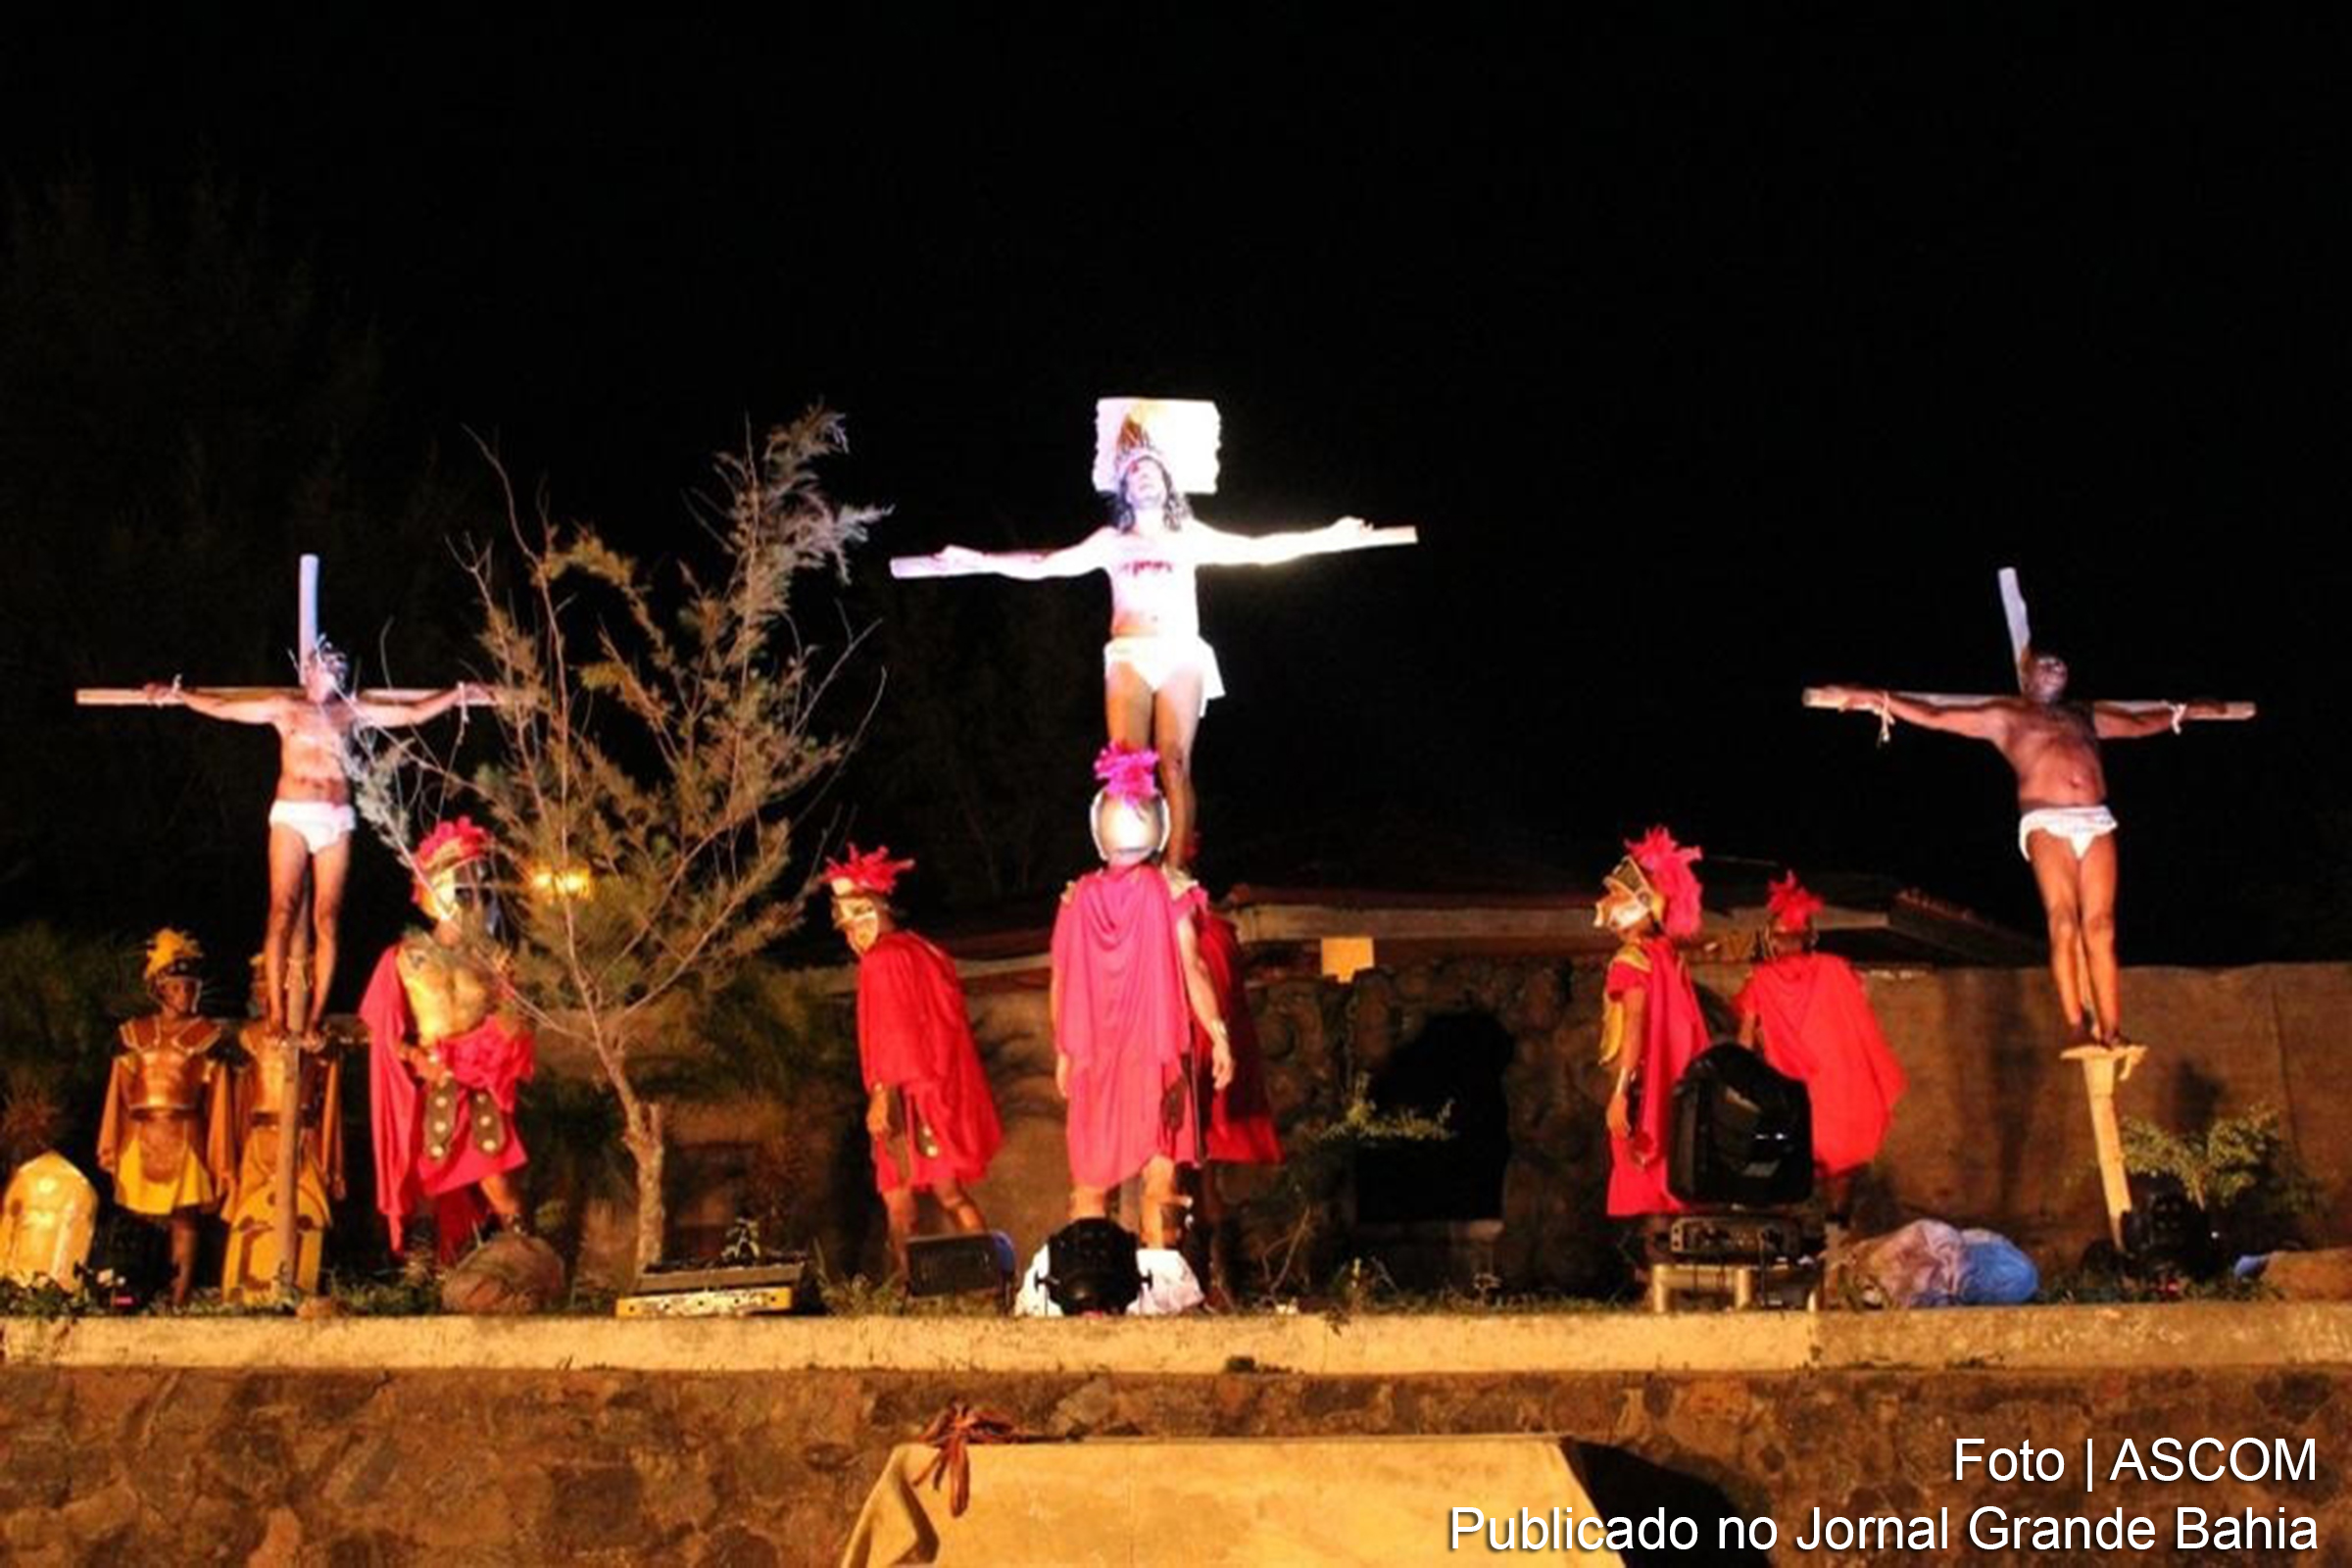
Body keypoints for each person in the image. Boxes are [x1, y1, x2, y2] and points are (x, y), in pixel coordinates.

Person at [893, 398, 1397, 873]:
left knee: (1174, 763)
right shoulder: (1112, 542)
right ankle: (1130, 864)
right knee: (1126, 764)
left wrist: (1329, 537)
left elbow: (1259, 550)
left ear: (1168, 484)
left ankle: (1176, 870)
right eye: (1136, 473)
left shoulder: (1190, 536)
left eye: (1154, 471)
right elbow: (1045, 564)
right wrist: (976, 560)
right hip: (1129, 654)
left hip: (1180, 652)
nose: (1146, 480)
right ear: (1125, 489)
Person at [1816, 661, 2237, 1049]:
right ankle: (2075, 1025)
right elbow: (1936, 714)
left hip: (2096, 819)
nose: (2055, 666)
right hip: (2046, 820)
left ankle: (2111, 1028)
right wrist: (1879, 699)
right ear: (2027, 677)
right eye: (2044, 663)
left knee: (2102, 926)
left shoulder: (2083, 715)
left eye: (2060, 663)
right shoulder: (2005, 716)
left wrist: (2186, 711)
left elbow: (2140, 722)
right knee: (2064, 922)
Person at [143, 644, 490, 1040]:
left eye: (338, 667)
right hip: (292, 813)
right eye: (325, 665)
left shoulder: (351, 712)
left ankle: (314, 1018)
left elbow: (411, 713)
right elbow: (222, 707)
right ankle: (274, 1014)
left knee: (326, 919)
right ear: (308, 672)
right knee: (281, 912)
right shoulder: (285, 708)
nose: (332, 671)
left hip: (334, 818)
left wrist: (458, 693)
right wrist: (176, 693)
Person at [1050, 744, 1232, 1248]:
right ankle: (1160, 1286)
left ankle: (1091, 1296)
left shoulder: (1074, 897)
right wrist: (1218, 1034)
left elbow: (1060, 980)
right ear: (1158, 824)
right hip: (1155, 1057)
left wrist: (1064, 1052)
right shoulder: (1170, 891)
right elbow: (1193, 967)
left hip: (1096, 1059)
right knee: (1161, 1180)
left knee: (1090, 1185)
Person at [825, 843, 1003, 1278]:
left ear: (874, 909)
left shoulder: (883, 962)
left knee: (903, 1204)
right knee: (946, 1195)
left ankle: (913, 1291)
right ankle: (988, 1284)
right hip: (931, 1093)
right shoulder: (922, 951)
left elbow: (893, 1034)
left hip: (907, 1100)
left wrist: (882, 1096)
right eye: (845, 926)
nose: (851, 935)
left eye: (855, 920)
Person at [360, 816, 533, 1262]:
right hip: (433, 1084)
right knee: (425, 1182)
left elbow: (515, 1025)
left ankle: (524, 1264)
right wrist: (417, 1057)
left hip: (479, 1086)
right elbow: (384, 1032)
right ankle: (419, 1279)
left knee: (497, 1180)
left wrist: (483, 1054)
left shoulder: (496, 962)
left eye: (479, 881)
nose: (473, 893)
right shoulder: (403, 959)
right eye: (462, 881)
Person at [1734, 871, 1906, 1221]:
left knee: (1783, 1165)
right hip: (1838, 1087)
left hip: (1790, 1089)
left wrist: (1744, 1081)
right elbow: (1858, 1016)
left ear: (1774, 939)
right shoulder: (1837, 969)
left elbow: (1745, 1038)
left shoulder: (1761, 979)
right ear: (1809, 936)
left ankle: (1779, 1246)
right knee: (1839, 1168)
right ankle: (1836, 1237)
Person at [95, 928, 227, 1305]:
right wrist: (112, 1141)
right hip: (141, 1132)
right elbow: (118, 1093)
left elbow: (216, 1099)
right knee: (135, 1217)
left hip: (184, 1132)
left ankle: (178, 1297)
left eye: (191, 986)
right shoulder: (135, 1034)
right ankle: (132, 1289)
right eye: (178, 986)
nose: (187, 994)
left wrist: (217, 1156)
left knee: (185, 1220)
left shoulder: (206, 1036)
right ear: (161, 989)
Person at [1590, 828, 1710, 1220]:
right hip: (1667, 1086)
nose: (1609, 905)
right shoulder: (1667, 956)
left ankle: (1659, 1279)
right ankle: (1666, 1276)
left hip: (1642, 1087)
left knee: (1647, 1187)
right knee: (1667, 1186)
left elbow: (1636, 1025)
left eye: (1622, 898)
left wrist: (1621, 1090)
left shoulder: (1632, 959)